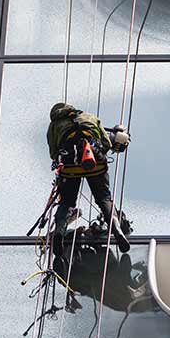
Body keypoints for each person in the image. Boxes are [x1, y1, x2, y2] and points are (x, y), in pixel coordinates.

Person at [46, 102, 132, 254]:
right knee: (104, 198)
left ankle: (59, 232)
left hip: (70, 167)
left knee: (66, 202)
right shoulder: (90, 117)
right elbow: (106, 143)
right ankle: (117, 229)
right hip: (95, 163)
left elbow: (54, 153)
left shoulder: (54, 126)